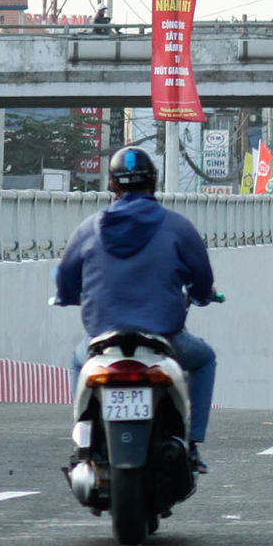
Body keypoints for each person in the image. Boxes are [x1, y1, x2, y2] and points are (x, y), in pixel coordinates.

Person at [54, 146, 218, 471]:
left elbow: (66, 280)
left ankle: (83, 444)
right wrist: (201, 295)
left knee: (78, 360)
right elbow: (202, 278)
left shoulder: (89, 228)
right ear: (153, 181)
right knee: (204, 360)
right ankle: (192, 442)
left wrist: (67, 295)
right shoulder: (177, 227)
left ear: (112, 184)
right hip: (164, 338)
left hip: (103, 340)